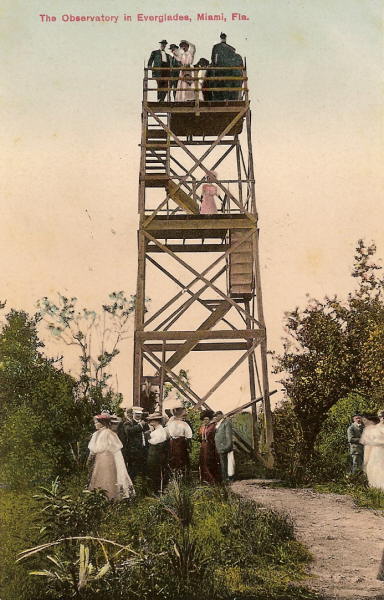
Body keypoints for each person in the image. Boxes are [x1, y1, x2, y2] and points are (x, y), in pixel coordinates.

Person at [88, 414, 135, 500]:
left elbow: (116, 449)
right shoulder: (96, 434)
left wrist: (119, 463)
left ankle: (110, 497)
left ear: (102, 423)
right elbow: (93, 448)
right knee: (98, 475)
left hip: (108, 459)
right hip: (99, 459)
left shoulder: (109, 433)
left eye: (96, 423)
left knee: (107, 476)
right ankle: (98, 496)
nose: (95, 424)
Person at [145, 412, 169, 493]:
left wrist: (148, 434)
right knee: (155, 471)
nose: (150, 422)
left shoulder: (159, 431)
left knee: (156, 472)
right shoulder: (157, 430)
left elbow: (153, 441)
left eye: (152, 421)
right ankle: (157, 489)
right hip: (155, 453)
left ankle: (157, 490)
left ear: (157, 421)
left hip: (156, 453)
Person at [165, 405, 193, 476]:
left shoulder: (171, 423)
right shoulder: (182, 423)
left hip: (177, 442)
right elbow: (189, 435)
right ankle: (179, 474)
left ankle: (177, 475)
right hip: (178, 442)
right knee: (178, 458)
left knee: (177, 457)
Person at [360, 410, 384, 489]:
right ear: (378, 417)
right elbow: (367, 445)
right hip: (376, 453)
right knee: (376, 470)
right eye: (381, 416)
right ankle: (378, 490)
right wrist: (366, 460)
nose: (383, 418)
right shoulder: (373, 429)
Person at [124, 406, 149, 481]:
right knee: (133, 471)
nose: (138, 415)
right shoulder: (128, 423)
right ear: (132, 414)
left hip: (144, 450)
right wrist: (140, 425)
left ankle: (142, 487)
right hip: (133, 451)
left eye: (139, 414)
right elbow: (129, 431)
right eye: (136, 413)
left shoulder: (144, 423)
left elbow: (148, 435)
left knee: (143, 470)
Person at [210, 33, 236, 100]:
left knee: (217, 83)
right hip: (227, 70)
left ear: (220, 38)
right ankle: (226, 98)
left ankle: (217, 98)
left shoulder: (216, 47)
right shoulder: (231, 49)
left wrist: (214, 66)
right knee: (227, 84)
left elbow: (212, 58)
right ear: (225, 38)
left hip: (218, 69)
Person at [199, 410, 222, 484]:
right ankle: (205, 479)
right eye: (204, 419)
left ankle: (212, 479)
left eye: (207, 419)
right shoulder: (203, 427)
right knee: (203, 461)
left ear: (209, 419)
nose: (205, 421)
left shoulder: (212, 427)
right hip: (203, 446)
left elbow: (215, 437)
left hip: (210, 446)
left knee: (209, 461)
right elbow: (200, 436)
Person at [214, 410, 235, 482]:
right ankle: (224, 478)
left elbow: (228, 436)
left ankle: (227, 479)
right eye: (215, 416)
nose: (215, 417)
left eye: (217, 416)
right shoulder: (218, 424)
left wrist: (227, 447)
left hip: (224, 447)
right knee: (222, 463)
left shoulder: (226, 423)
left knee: (226, 463)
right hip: (219, 447)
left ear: (221, 415)